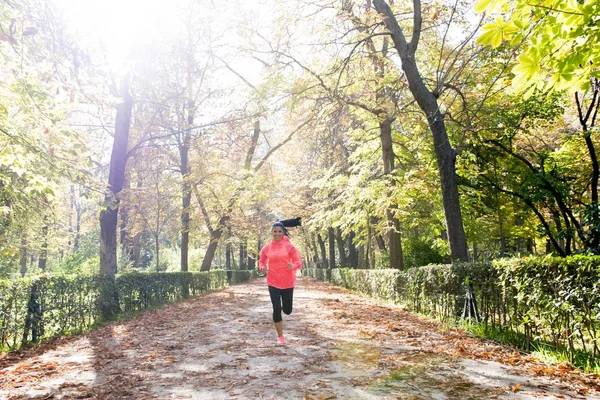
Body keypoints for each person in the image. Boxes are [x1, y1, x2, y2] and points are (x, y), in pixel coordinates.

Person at [258, 221, 302, 345]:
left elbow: (299, 263)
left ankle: (284, 307)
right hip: (273, 281)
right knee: (276, 308)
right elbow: (261, 261)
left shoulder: (290, 247)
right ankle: (280, 337)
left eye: (279, 232)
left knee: (287, 310)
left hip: (288, 282)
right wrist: (262, 268)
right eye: (275, 231)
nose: (277, 234)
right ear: (271, 232)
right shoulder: (266, 247)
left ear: (283, 233)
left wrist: (292, 266)